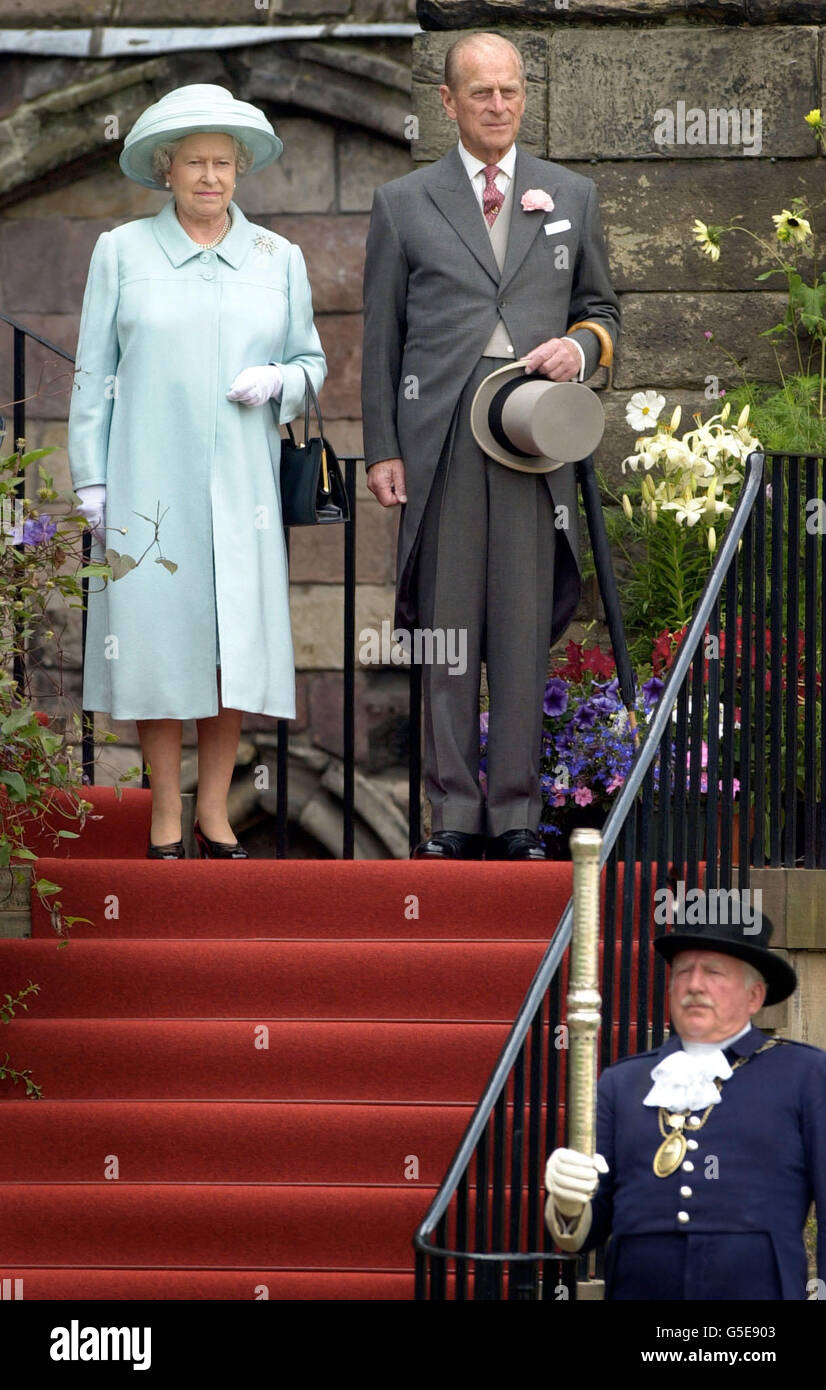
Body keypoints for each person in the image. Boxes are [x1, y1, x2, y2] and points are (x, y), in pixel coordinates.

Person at [361, 32, 619, 861]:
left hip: (534, 442)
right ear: (447, 102)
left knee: (516, 632)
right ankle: (450, 817)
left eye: (510, 91)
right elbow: (380, 340)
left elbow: (603, 313)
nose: (499, 105)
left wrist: (581, 350)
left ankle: (515, 815)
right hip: (439, 442)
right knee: (444, 634)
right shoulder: (403, 202)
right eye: (481, 93)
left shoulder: (571, 191)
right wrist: (381, 449)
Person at [68, 84, 326, 860]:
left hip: (242, 487)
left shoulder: (278, 257)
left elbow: (313, 361)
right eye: (193, 164)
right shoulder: (121, 250)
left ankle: (214, 812)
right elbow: (93, 370)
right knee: (156, 642)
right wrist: (91, 479)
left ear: (239, 172)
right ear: (166, 170)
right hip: (149, 480)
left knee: (229, 649)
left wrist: (280, 380)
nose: (209, 177)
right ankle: (165, 811)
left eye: (222, 164)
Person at [544, 913, 826, 1300]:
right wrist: (567, 1203)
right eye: (682, 972)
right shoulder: (621, 1083)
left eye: (713, 972)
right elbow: (590, 1226)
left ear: (754, 996)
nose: (694, 985)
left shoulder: (804, 1074)